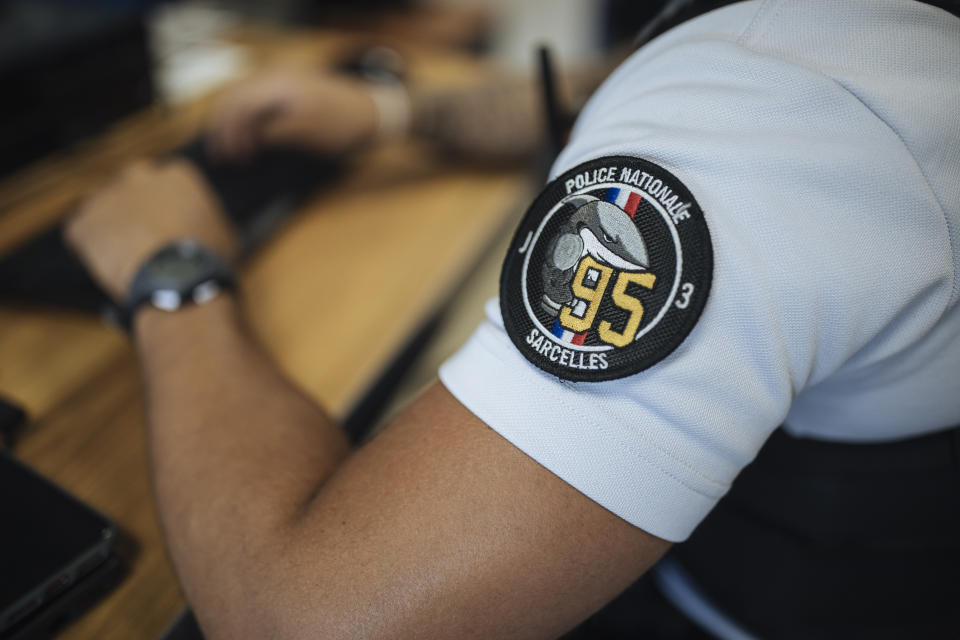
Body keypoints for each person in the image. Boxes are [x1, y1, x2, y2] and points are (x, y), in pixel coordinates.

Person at [65, 0, 959, 637]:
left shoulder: (780, 107)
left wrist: (173, 273)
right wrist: (395, 110)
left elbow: (306, 619)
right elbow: (614, 77)